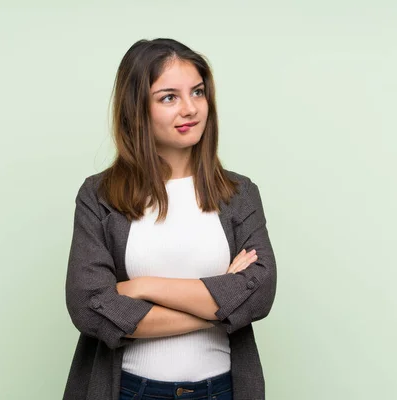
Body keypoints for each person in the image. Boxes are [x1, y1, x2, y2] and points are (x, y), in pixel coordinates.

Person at [63, 38, 277, 400]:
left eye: (197, 92)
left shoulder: (239, 194)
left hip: (222, 390)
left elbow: (260, 296)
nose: (190, 109)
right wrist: (222, 305)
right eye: (169, 97)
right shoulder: (99, 196)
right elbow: (91, 310)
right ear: (137, 109)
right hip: (131, 390)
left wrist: (143, 287)